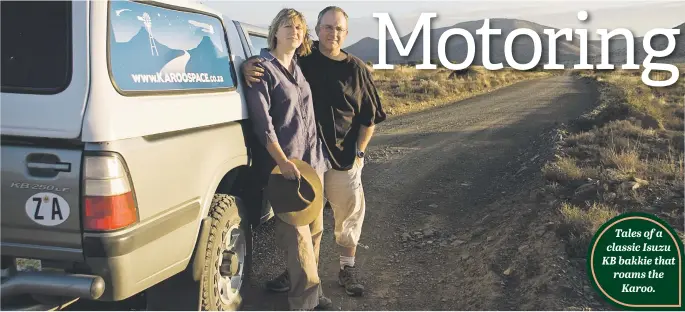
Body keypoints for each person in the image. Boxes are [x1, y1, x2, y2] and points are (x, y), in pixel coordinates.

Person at [243, 6, 386, 297]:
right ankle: (300, 276)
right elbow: (272, 57)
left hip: (343, 159)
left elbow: (370, 119)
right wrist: (247, 65)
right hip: (308, 160)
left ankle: (347, 268)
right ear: (317, 30)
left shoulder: (355, 68)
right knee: (305, 222)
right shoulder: (301, 60)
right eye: (327, 27)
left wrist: (359, 154)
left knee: (346, 215)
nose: (333, 33)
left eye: (339, 29)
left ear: (346, 34)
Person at [243, 8, 332, 310]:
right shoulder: (261, 68)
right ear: (275, 31)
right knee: (298, 237)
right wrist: (281, 161)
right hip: (286, 168)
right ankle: (307, 302)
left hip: (311, 165)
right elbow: (262, 122)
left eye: (299, 27)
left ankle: (304, 286)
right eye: (287, 25)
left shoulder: (297, 67)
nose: (294, 31)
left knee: (316, 231)